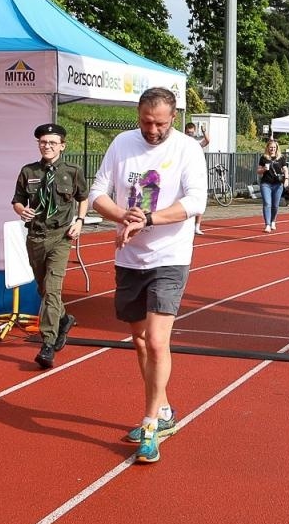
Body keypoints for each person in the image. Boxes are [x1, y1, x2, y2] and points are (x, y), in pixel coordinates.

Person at [89, 87, 207, 464]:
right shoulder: (122, 144)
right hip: (130, 257)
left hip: (169, 256)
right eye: (145, 122)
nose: (151, 130)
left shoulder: (188, 149)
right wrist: (123, 216)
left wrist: (150, 219)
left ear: (173, 118)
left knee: (157, 341)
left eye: (159, 123)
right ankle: (165, 410)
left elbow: (195, 201)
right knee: (139, 342)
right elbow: (97, 194)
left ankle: (151, 423)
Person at [11, 122, 89, 369]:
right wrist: (22, 211)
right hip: (35, 236)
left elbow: (83, 198)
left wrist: (79, 220)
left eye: (52, 143)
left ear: (62, 146)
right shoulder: (28, 171)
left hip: (61, 236)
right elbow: (17, 201)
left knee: (53, 290)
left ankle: (47, 343)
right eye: (43, 142)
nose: (47, 146)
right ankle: (64, 319)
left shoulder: (73, 171)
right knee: (43, 289)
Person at [183, 121, 210, 234]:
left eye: (192, 133)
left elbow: (207, 141)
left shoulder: (196, 143)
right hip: (185, 174)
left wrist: (204, 132)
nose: (190, 135)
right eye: (188, 133)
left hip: (197, 174)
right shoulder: (181, 143)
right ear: (185, 132)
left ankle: (197, 226)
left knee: (199, 198)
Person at [256, 138, 288, 233]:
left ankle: (273, 220)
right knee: (267, 203)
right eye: (271, 147)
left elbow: (285, 169)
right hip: (266, 183)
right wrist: (264, 169)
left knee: (275, 205)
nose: (272, 149)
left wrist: (286, 179)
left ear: (277, 148)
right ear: (267, 148)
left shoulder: (281, 158)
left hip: (278, 184)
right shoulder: (264, 158)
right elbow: (258, 171)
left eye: (274, 147)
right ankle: (267, 224)